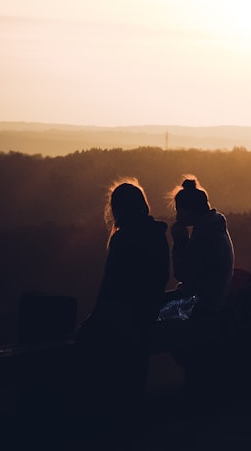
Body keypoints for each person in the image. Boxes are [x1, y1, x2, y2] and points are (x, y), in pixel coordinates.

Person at [75, 179, 169, 428]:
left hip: (122, 316)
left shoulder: (123, 239)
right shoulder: (158, 235)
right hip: (146, 314)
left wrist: (93, 318)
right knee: (134, 373)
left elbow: (110, 286)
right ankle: (131, 421)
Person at [167, 176, 234, 315]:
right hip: (214, 303)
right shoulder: (214, 228)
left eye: (178, 211)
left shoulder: (205, 235)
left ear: (189, 210)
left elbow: (183, 273)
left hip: (203, 308)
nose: (177, 216)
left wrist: (180, 242)